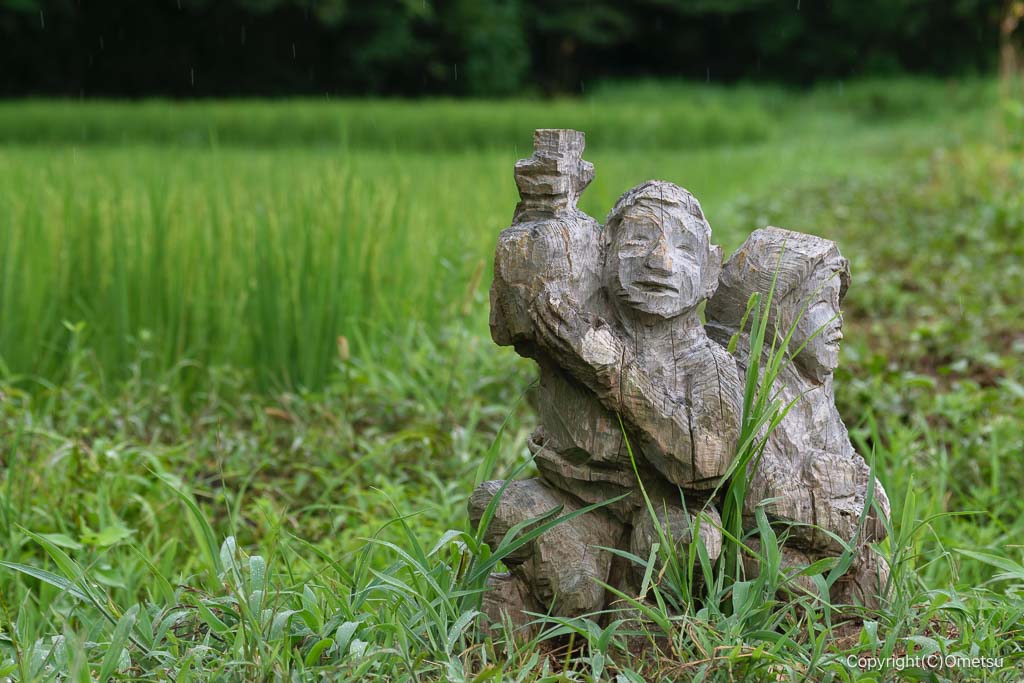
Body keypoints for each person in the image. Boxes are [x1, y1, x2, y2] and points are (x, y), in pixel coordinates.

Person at [705, 226, 892, 607]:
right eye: (824, 303)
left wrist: (829, 481)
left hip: (828, 538)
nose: (839, 321)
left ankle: (862, 654)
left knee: (874, 573)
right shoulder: (741, 379)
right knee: (785, 579)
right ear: (774, 310)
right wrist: (834, 488)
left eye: (839, 304)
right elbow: (762, 497)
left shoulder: (814, 388)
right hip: (763, 549)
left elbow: (874, 498)